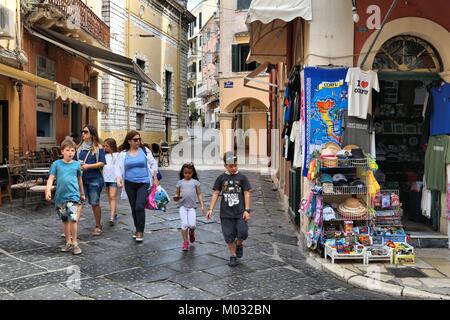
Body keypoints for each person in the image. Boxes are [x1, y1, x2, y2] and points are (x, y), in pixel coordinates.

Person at [207, 152, 252, 267]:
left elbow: (247, 193)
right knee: (229, 236)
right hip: (226, 213)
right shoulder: (221, 178)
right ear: (225, 166)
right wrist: (211, 208)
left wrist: (247, 210)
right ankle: (233, 256)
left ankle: (239, 244)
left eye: (235, 165)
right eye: (231, 166)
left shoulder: (242, 177)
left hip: (240, 212)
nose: (234, 168)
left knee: (243, 233)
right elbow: (216, 193)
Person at [115, 131, 159, 242]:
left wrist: (155, 178)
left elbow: (153, 163)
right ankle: (137, 229)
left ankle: (140, 231)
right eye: (135, 140)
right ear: (129, 141)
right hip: (129, 183)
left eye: (139, 139)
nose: (138, 141)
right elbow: (118, 168)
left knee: (139, 206)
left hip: (143, 183)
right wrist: (118, 179)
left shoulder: (145, 151)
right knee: (134, 208)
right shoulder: (123, 154)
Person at [45, 139, 85, 255]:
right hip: (60, 197)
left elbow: (79, 180)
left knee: (73, 219)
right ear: (62, 151)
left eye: (72, 150)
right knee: (65, 221)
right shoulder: (56, 164)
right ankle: (68, 242)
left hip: (73, 196)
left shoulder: (77, 164)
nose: (70, 153)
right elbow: (51, 178)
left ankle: (75, 243)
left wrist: (82, 193)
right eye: (67, 150)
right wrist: (47, 190)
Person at [75, 125, 106, 236]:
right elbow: (74, 161)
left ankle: (98, 225)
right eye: (82, 131)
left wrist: (88, 166)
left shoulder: (99, 147)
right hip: (81, 180)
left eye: (85, 132)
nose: (83, 133)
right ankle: (72, 227)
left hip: (95, 179)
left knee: (94, 203)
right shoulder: (79, 147)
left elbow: (102, 162)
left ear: (92, 134)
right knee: (79, 203)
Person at [174, 163, 205, 251]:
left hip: (192, 207)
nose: (187, 175)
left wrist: (202, 205)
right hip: (182, 206)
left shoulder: (195, 182)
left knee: (192, 225)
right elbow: (177, 194)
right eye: (185, 173)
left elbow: (199, 194)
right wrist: (176, 197)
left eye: (189, 173)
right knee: (184, 224)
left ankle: (191, 233)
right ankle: (185, 242)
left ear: (192, 173)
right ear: (182, 173)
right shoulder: (180, 183)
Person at [104, 138, 119, 226]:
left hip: (114, 178)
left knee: (112, 196)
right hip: (105, 178)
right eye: (104, 146)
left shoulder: (117, 155)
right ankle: (114, 212)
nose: (105, 148)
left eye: (107, 146)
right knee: (109, 197)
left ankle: (111, 217)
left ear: (112, 146)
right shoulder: (104, 155)